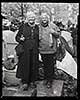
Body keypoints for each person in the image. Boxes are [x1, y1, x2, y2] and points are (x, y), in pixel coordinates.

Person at [15, 11, 39, 91]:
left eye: (32, 17)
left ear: (34, 19)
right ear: (27, 19)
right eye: (29, 17)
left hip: (35, 49)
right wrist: (20, 39)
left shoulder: (37, 27)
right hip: (25, 49)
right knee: (25, 65)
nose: (31, 19)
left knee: (33, 65)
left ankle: (32, 81)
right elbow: (17, 37)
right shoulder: (23, 26)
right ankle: (25, 82)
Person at [39, 13, 61, 88]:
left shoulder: (53, 26)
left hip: (51, 50)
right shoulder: (39, 27)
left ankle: (50, 80)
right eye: (42, 18)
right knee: (44, 65)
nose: (44, 19)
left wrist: (53, 32)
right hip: (42, 50)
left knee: (50, 65)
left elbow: (58, 35)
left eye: (45, 17)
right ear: (41, 19)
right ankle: (46, 78)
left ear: (47, 18)